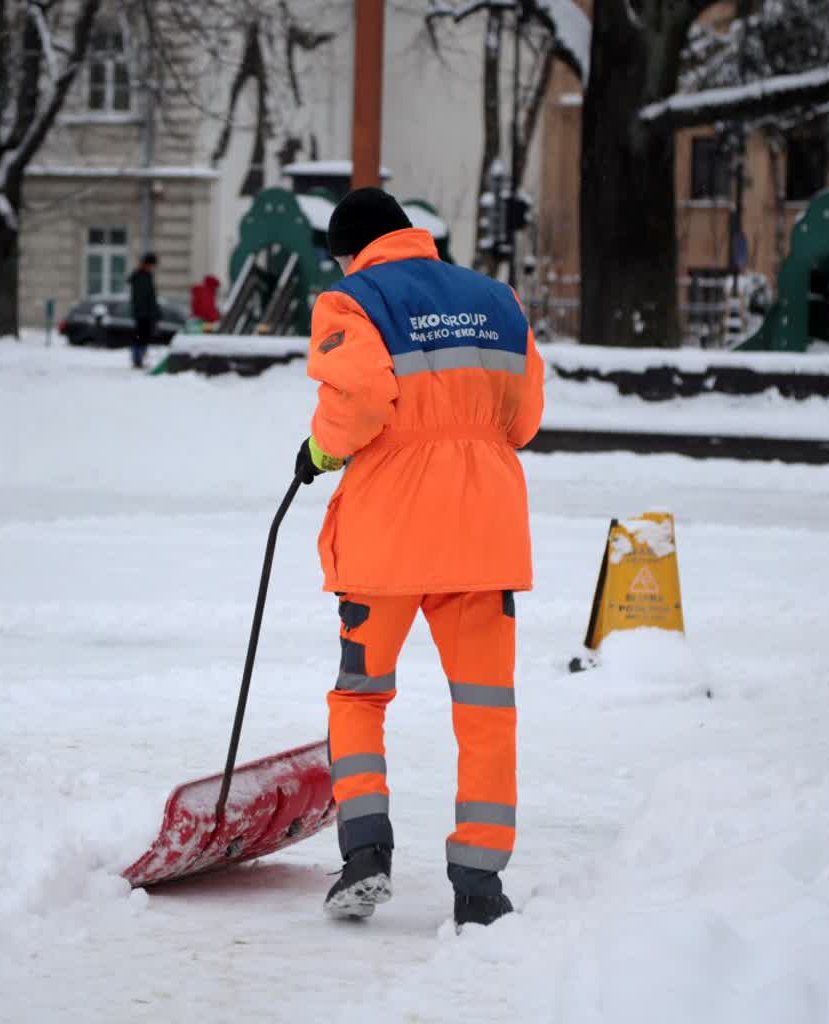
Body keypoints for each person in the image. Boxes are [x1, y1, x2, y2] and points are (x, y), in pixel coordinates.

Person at [293, 187, 545, 929]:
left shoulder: (351, 299)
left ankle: (365, 854)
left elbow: (361, 400)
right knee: (486, 709)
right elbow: (525, 419)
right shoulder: (496, 298)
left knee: (360, 696)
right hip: (484, 532)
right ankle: (480, 887)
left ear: (350, 252)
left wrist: (321, 450)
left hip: (389, 537)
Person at [128, 253, 160, 369]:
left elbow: (151, 297)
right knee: (141, 337)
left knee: (143, 337)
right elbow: (144, 297)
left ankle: (139, 359)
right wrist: (151, 312)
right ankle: (138, 360)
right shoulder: (141, 277)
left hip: (145, 312)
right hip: (142, 313)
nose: (152, 267)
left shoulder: (145, 276)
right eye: (152, 265)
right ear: (147, 264)